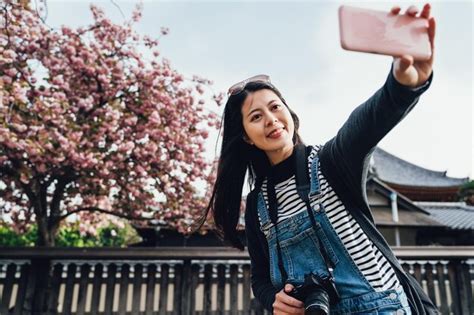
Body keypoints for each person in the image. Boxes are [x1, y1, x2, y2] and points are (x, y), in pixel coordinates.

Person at [197, 3, 439, 315]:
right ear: (245, 136)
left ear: (289, 112)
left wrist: (404, 85)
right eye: (256, 116)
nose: (271, 119)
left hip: (381, 308)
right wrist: (272, 298)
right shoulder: (257, 204)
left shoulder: (330, 162)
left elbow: (368, 122)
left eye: (275, 107)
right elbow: (259, 277)